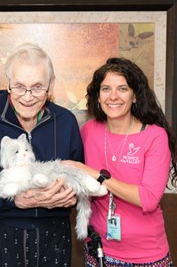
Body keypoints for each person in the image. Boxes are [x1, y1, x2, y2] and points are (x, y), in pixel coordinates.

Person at [0, 42, 84, 267]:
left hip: (53, 236)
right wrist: (15, 200)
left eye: (37, 87)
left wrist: (70, 196)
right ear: (8, 84)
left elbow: (76, 177)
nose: (27, 97)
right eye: (19, 86)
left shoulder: (65, 122)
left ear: (51, 84)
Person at [64, 57, 177, 267]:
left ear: (135, 95)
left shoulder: (154, 136)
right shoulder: (88, 131)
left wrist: (97, 175)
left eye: (122, 88)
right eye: (106, 88)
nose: (113, 96)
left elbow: (149, 198)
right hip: (98, 251)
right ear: (98, 96)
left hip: (146, 256)